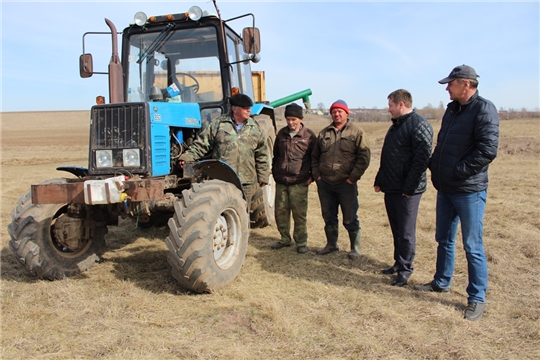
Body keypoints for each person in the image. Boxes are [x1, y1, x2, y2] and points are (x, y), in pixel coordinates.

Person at [414, 65, 499, 321]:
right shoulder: (452, 110)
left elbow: (487, 151)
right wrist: (436, 165)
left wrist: (457, 171)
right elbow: (443, 143)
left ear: (465, 84)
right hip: (447, 188)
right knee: (444, 238)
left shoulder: (484, 109)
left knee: (472, 245)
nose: (447, 88)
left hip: (468, 190)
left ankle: (476, 298)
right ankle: (441, 282)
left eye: (450, 84)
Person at [374, 89, 433, 287]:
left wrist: (409, 187)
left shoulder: (419, 125)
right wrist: (380, 178)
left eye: (390, 105)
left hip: (407, 191)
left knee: (406, 232)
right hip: (391, 187)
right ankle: (398, 263)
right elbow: (389, 156)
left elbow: (421, 160)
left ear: (401, 104)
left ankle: (406, 270)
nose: (388, 109)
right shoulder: (396, 126)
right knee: (396, 229)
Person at [178, 93, 269, 208]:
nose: (248, 110)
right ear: (235, 109)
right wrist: (187, 157)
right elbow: (202, 144)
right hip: (222, 178)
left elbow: (262, 154)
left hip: (245, 180)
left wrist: (263, 176)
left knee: (244, 211)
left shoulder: (255, 128)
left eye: (249, 108)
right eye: (245, 108)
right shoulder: (219, 124)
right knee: (221, 208)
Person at [311, 100, 371, 259]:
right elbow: (315, 157)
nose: (337, 114)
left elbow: (363, 158)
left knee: (350, 217)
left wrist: (352, 178)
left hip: (346, 184)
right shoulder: (324, 133)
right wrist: (317, 176)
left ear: (347, 113)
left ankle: (355, 248)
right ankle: (331, 245)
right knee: (328, 216)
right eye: (334, 111)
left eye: (340, 111)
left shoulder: (357, 133)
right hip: (325, 184)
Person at [270, 103, 316, 254]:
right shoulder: (281, 134)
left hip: (299, 182)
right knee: (281, 212)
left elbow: (315, 158)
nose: (291, 122)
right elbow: (276, 155)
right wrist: (275, 172)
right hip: (282, 181)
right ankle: (284, 239)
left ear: (301, 118)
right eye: (288, 119)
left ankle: (301, 242)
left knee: (299, 213)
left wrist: (312, 176)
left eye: (294, 119)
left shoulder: (309, 136)